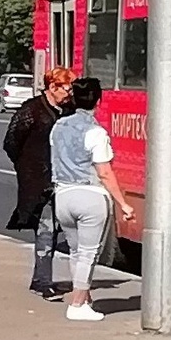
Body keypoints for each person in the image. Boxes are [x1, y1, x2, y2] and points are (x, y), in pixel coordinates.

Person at [49, 77, 134, 322]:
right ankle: (77, 304)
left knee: (76, 252)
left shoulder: (59, 127)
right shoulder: (96, 132)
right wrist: (123, 204)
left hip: (63, 196)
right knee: (88, 253)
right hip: (90, 197)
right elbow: (104, 172)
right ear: (98, 101)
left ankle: (84, 299)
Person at [3, 67, 74, 299]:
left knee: (55, 230)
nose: (70, 93)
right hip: (38, 181)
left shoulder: (67, 111)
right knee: (46, 229)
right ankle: (43, 282)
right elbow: (11, 142)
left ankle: (40, 278)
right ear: (53, 87)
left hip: (61, 178)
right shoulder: (32, 110)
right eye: (66, 88)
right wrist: (27, 166)